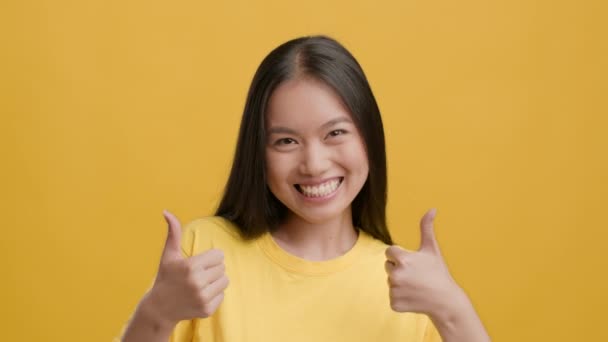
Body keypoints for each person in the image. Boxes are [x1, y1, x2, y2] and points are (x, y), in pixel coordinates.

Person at [118, 35, 491, 342]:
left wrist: (453, 309)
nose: (313, 164)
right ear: (258, 153)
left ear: (369, 138)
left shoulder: (410, 283)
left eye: (335, 133)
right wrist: (158, 312)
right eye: (286, 142)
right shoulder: (206, 254)